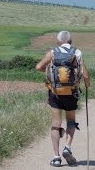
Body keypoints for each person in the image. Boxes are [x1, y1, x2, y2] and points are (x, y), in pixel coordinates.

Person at [36, 31, 90, 167]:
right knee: (71, 121)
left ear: (58, 42)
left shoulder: (53, 52)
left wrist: (51, 71)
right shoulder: (77, 53)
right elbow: (85, 74)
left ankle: (56, 157)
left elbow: (38, 67)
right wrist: (87, 85)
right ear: (70, 41)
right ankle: (67, 147)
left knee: (56, 124)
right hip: (71, 93)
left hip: (55, 93)